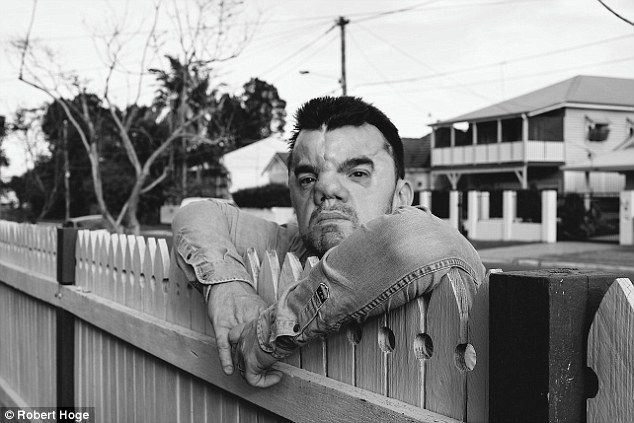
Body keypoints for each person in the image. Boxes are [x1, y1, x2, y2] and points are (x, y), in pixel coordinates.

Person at [170, 96, 485, 388]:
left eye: (357, 173)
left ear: (402, 196)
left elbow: (408, 241)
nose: (325, 187)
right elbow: (199, 214)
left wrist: (267, 335)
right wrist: (227, 286)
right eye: (308, 178)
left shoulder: (442, 253)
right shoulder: (291, 244)